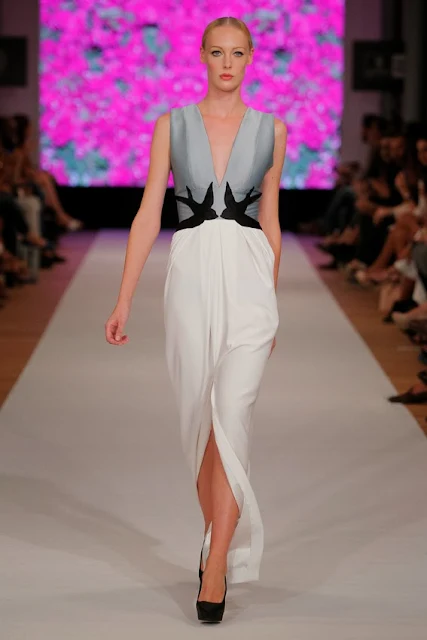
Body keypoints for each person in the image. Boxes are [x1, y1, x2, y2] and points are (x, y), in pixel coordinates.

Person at [105, 16, 287, 623]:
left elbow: (271, 219)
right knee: (202, 424)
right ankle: (215, 540)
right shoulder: (171, 125)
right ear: (203, 56)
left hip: (250, 281)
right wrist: (124, 298)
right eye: (217, 52)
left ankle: (215, 570)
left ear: (251, 57)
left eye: (237, 53)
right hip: (190, 279)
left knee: (233, 413)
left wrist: (272, 298)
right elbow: (148, 211)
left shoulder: (273, 129)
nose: (227, 64)